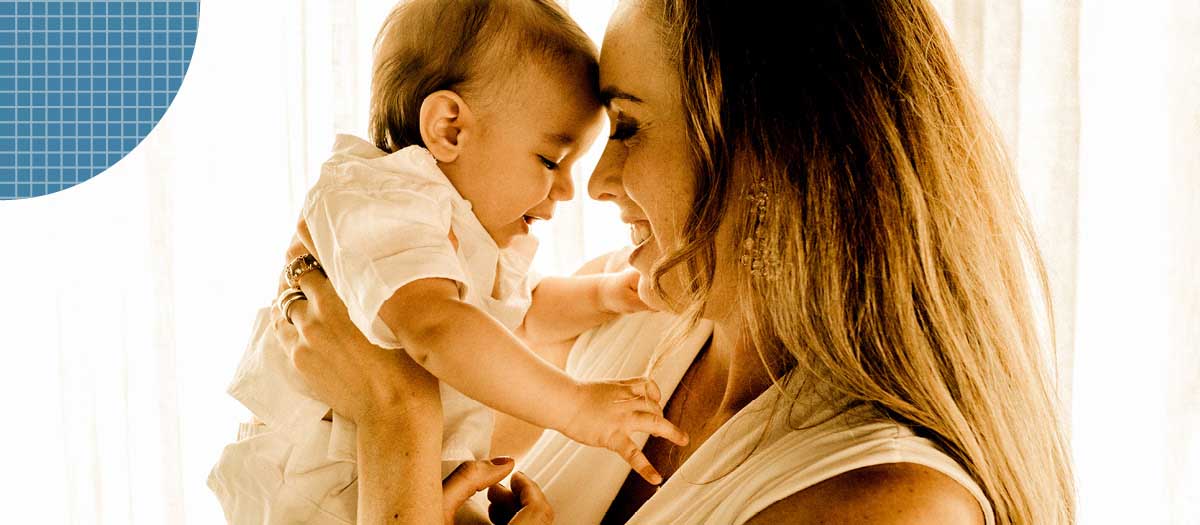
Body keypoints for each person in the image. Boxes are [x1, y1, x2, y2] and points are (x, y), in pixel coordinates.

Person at [279, 0, 1077, 523]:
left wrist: (397, 413)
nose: (594, 182)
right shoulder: (625, 330)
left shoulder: (891, 504)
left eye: (625, 128)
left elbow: (404, 411)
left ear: (768, 153)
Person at [208, 1, 689, 523]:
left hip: (396, 479)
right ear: (450, 129)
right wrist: (575, 405)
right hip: (320, 487)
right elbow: (439, 328)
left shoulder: (459, 230)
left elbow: (516, 317)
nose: (572, 189)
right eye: (551, 161)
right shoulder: (378, 196)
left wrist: (606, 295)